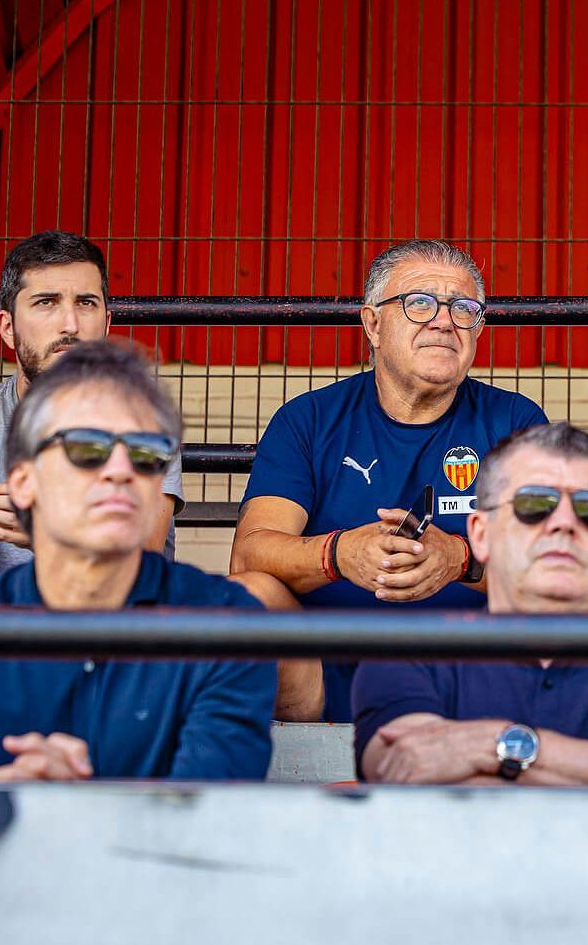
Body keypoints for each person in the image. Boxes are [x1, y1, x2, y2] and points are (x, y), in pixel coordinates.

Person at [232, 240, 548, 721]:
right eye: (420, 302)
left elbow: (549, 569)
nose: (444, 321)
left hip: (471, 677)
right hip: (324, 674)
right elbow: (250, 552)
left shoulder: (516, 422)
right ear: (373, 324)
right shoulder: (309, 419)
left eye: (464, 309)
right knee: (249, 595)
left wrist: (460, 559)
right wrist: (340, 554)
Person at [0, 341, 274, 780]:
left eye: (145, 451)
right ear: (22, 482)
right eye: (87, 446)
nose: (121, 469)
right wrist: (6, 807)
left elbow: (208, 825)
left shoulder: (231, 626)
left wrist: (57, 808)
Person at [353, 423, 588, 787]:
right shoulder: (407, 649)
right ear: (481, 535)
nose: (564, 523)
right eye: (535, 504)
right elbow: (405, 769)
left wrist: (503, 745)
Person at [0, 231, 183, 586]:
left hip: (106, 625)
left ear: (107, 323)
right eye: (46, 302)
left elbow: (139, 561)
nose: (70, 325)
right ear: (8, 328)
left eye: (86, 303)